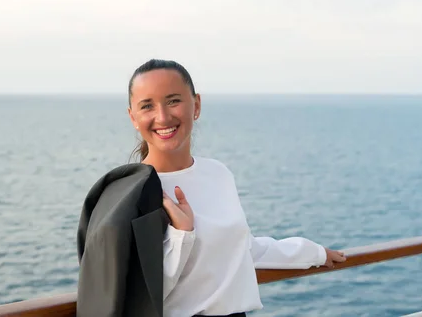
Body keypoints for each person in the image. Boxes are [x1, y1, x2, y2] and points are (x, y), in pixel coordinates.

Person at [124, 58, 346, 317]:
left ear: (196, 105)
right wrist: (182, 235)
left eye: (173, 100)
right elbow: (138, 294)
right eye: (147, 106)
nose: (162, 116)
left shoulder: (217, 173)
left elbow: (241, 248)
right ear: (133, 117)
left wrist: (314, 253)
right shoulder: (131, 191)